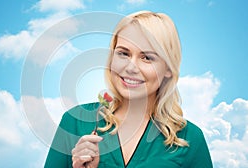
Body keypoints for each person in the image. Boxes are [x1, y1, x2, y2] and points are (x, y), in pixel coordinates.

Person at [44, 11, 213, 168]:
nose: (131, 67)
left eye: (147, 57)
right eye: (123, 53)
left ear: (168, 68)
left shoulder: (190, 139)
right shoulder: (74, 122)